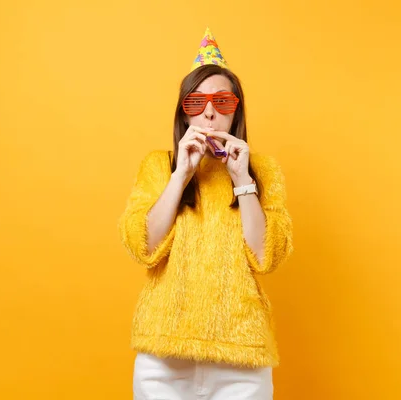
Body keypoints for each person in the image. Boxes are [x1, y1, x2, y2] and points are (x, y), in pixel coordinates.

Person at [118, 28, 293, 400]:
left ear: (236, 111)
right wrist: (181, 175)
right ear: (184, 112)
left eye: (222, 102)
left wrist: (242, 179)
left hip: (242, 359)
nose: (210, 112)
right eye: (196, 103)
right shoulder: (159, 166)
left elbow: (267, 256)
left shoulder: (262, 171)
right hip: (164, 358)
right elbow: (143, 246)